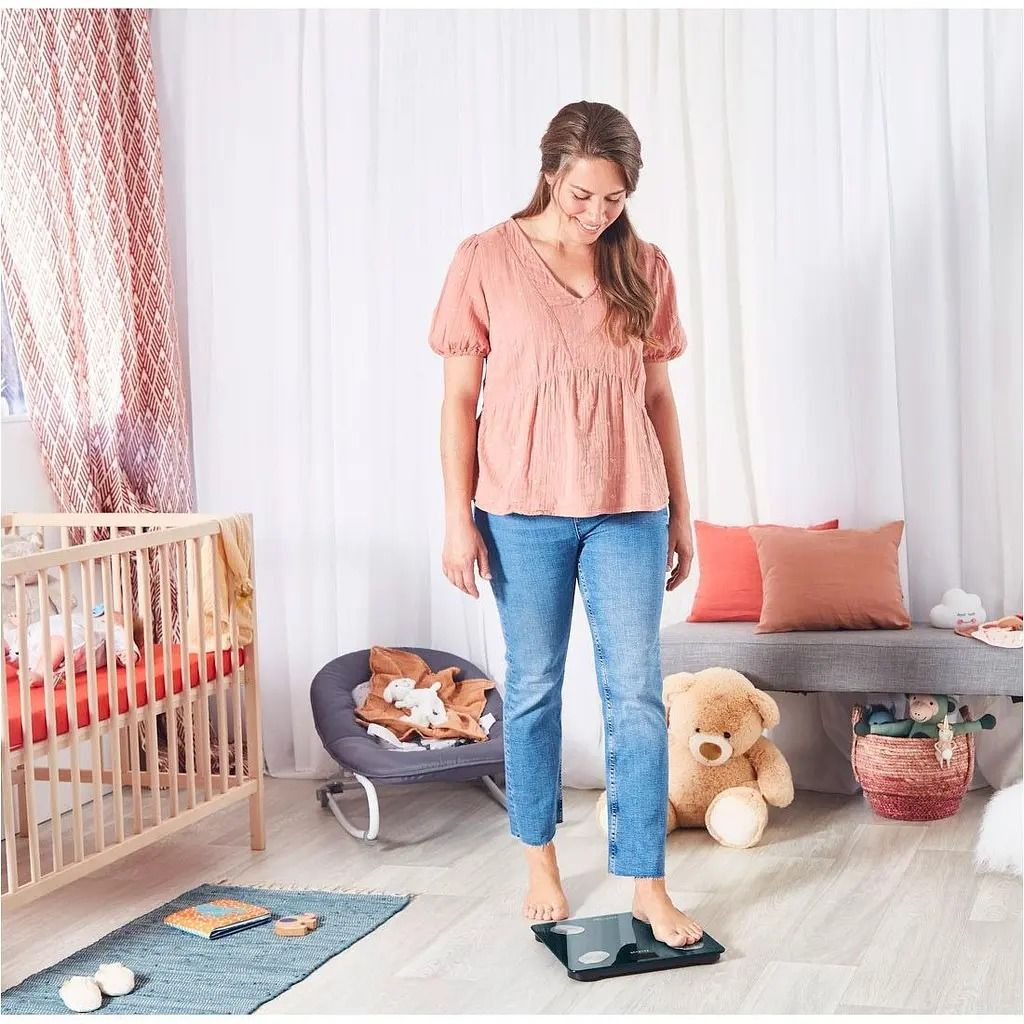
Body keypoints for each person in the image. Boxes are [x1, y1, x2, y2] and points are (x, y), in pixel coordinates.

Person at [427, 100, 701, 948]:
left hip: (630, 507)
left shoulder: (644, 266)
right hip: (519, 511)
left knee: (637, 696)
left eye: (614, 199)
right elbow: (460, 401)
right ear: (550, 173)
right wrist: (456, 519)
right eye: (582, 195)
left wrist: (682, 513)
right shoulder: (484, 259)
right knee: (535, 685)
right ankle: (540, 861)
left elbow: (658, 398)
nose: (596, 213)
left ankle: (647, 883)